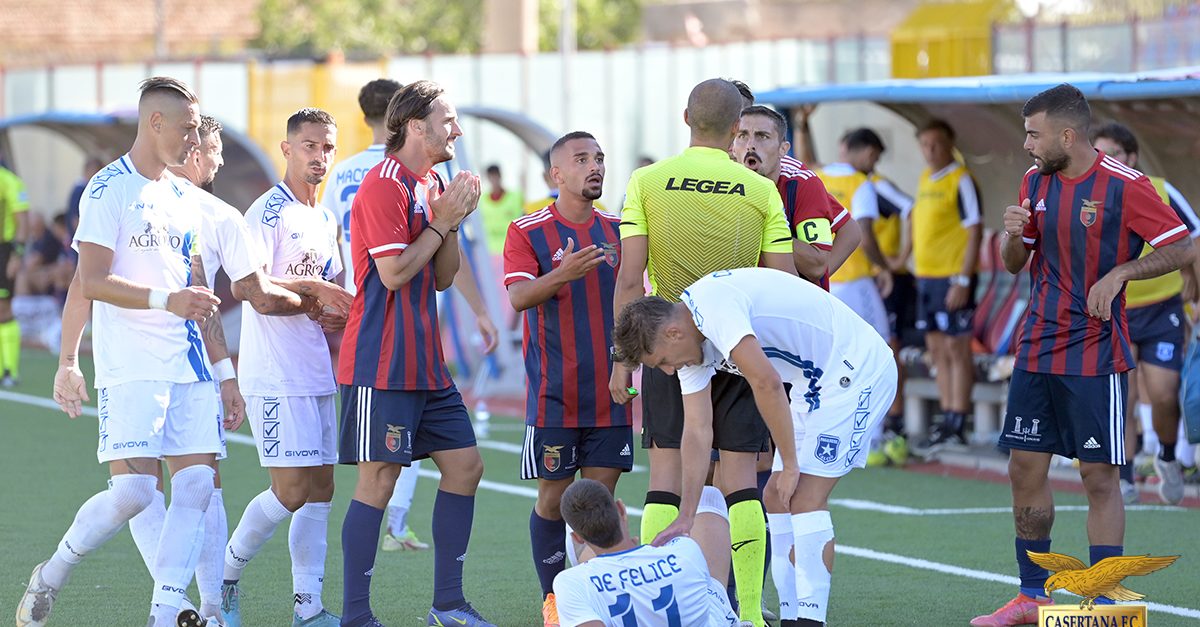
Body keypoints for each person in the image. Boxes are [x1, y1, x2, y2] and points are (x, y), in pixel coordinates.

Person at [972, 84, 1193, 627]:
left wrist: (1120, 273)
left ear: (1066, 136)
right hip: (1036, 349)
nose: (1026, 144)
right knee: (1024, 468)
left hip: (1096, 353)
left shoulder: (1125, 185)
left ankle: (1105, 604)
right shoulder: (1033, 181)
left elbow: (1182, 243)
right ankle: (1032, 597)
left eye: (1033, 133)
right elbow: (1012, 264)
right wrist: (1012, 238)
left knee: (1099, 478)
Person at [19, 76, 225, 627]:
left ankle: (166, 610)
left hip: (189, 364)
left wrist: (221, 364)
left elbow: (195, 277)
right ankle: (54, 571)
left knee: (198, 485)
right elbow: (89, 281)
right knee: (134, 492)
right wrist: (68, 362)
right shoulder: (108, 189)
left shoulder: (185, 195)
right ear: (154, 123)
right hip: (130, 368)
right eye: (185, 128)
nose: (193, 139)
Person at [612, 266, 898, 627]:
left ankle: (811, 622)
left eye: (663, 362)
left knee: (805, 497)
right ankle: (793, 617)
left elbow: (766, 382)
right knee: (776, 498)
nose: (669, 371)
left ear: (672, 332)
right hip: (815, 382)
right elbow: (698, 432)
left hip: (856, 371)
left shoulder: (713, 308)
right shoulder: (690, 343)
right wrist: (686, 515)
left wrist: (790, 463)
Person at [611, 78, 797, 627]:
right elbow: (782, 282)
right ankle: (747, 613)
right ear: (738, 127)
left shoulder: (646, 180)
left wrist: (625, 356)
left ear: (685, 115)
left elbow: (628, 278)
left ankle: (659, 605)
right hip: (740, 344)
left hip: (669, 343)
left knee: (664, 478)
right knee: (742, 481)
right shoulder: (761, 191)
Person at [336, 79, 494, 627]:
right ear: (414, 126)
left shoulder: (434, 182)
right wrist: (442, 221)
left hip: (427, 363)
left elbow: (444, 277)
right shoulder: (383, 185)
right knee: (377, 479)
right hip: (380, 362)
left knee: (466, 467)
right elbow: (395, 273)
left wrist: (449, 222)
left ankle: (447, 605)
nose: (457, 130)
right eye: (448, 120)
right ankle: (357, 616)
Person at [218, 108, 347, 627]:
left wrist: (338, 307)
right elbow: (251, 292)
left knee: (321, 490)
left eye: (327, 148)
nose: (319, 157)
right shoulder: (266, 214)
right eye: (310, 146)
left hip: (316, 371)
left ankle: (308, 608)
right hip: (274, 374)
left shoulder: (325, 217)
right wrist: (314, 296)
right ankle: (225, 577)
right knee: (290, 491)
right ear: (287, 149)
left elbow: (333, 292)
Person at [503, 131, 633, 627]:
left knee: (598, 505)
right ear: (557, 174)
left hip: (612, 393)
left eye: (599, 158)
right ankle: (552, 599)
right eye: (581, 160)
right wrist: (564, 273)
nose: (594, 167)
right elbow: (518, 298)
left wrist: (630, 359)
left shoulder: (621, 229)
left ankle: (596, 598)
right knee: (554, 501)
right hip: (554, 395)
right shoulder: (528, 230)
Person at [1092, 121, 1200, 505]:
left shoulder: (1159, 188)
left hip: (1162, 308)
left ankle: (1168, 457)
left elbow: (1192, 235)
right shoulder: (1093, 193)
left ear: (1132, 157)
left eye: (1114, 154)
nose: (1106, 162)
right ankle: (1125, 475)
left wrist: (1193, 281)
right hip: (1116, 309)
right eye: (1099, 154)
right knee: (1124, 394)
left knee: (1164, 395)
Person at [798, 110, 916, 443]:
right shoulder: (860, 183)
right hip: (854, 279)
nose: (874, 163)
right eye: (874, 156)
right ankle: (872, 433)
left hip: (821, 282)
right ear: (864, 152)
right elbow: (862, 230)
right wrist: (886, 266)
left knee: (827, 358)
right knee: (877, 351)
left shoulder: (816, 177)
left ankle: (822, 429)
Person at [551, 478, 751, 627]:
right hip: (711, 615)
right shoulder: (685, 551)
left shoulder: (569, 582)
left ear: (578, 537)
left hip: (597, 582)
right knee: (708, 495)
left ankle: (595, 555)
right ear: (621, 509)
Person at [895, 119, 982, 447]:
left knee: (957, 347)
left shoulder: (961, 180)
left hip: (952, 277)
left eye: (936, 144)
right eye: (925, 144)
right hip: (927, 278)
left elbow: (974, 229)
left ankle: (959, 421)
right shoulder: (923, 178)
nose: (930, 150)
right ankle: (947, 418)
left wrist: (962, 278)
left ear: (950, 145)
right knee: (936, 348)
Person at [730, 105, 861, 288]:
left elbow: (848, 234)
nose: (750, 144)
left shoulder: (800, 181)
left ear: (783, 149)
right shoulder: (720, 177)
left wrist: (810, 286)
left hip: (790, 304)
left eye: (762, 136)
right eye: (742, 135)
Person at [0, 160, 30, 386]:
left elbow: (22, 222)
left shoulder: (9, 181)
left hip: (4, 251)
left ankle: (11, 371)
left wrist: (17, 255)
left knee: (3, 309)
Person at [481, 164, 525, 255]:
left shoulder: (516, 197)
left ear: (500, 176)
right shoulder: (482, 201)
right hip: (491, 252)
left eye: (495, 176)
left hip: (513, 249)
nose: (494, 180)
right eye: (491, 177)